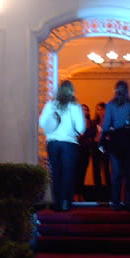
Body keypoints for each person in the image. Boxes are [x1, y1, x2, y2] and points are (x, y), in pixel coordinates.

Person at [38, 80, 86, 211]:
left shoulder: (50, 105)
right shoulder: (75, 106)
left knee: (56, 173)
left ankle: (57, 203)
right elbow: (81, 128)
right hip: (69, 144)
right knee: (68, 174)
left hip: (53, 143)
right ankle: (66, 202)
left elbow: (41, 122)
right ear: (72, 91)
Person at [102, 80, 130, 209]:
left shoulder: (110, 105)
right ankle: (128, 202)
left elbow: (105, 126)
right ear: (127, 90)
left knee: (116, 173)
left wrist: (106, 135)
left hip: (116, 141)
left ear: (116, 90)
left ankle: (115, 203)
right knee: (129, 173)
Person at [88, 102, 110, 202]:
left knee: (106, 170)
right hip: (96, 148)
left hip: (105, 148)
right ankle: (98, 195)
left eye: (102, 109)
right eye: (98, 109)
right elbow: (92, 137)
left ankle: (109, 194)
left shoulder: (109, 122)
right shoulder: (93, 123)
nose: (100, 112)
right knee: (96, 171)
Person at [75, 104, 94, 202]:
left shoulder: (91, 123)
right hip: (77, 150)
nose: (84, 111)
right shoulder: (76, 121)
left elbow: (93, 137)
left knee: (83, 173)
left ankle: (81, 193)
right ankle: (76, 194)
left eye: (86, 109)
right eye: (82, 109)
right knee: (76, 173)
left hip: (86, 151)